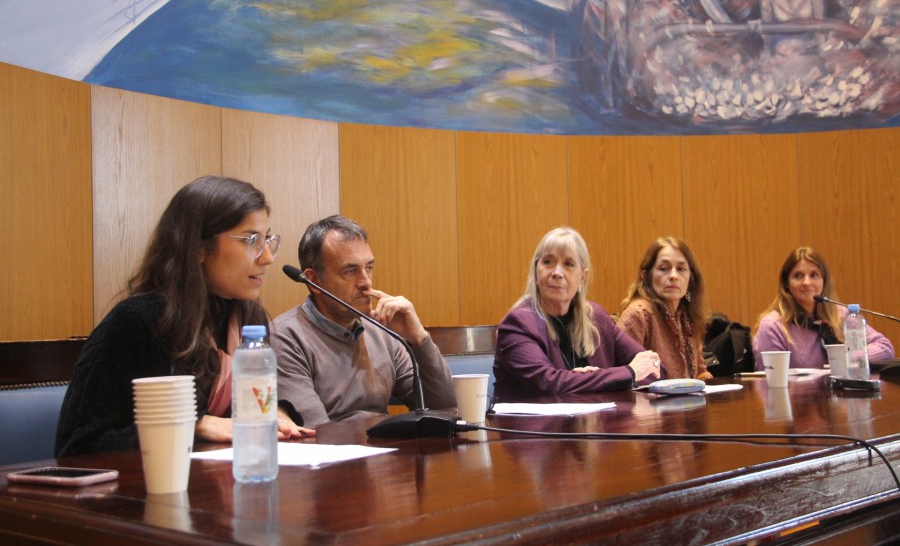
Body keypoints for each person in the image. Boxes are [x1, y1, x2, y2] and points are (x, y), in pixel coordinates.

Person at [56, 176, 314, 457]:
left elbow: (247, 413)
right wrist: (196, 426)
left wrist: (275, 411)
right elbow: (79, 445)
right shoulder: (135, 322)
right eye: (251, 240)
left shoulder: (247, 319)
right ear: (199, 247)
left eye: (268, 241)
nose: (267, 258)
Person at [273, 215, 455, 428]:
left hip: (386, 453)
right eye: (350, 271)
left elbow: (445, 407)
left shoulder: (381, 330)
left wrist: (418, 338)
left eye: (368, 267)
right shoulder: (285, 337)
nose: (366, 282)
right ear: (313, 281)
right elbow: (316, 433)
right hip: (338, 457)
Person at [493, 227, 661, 401]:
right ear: (536, 272)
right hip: (534, 427)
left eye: (568, 264)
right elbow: (549, 384)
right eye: (548, 262)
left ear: (583, 277)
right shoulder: (518, 324)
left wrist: (593, 379)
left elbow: (655, 369)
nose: (557, 273)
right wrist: (627, 373)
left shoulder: (596, 318)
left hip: (595, 425)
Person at [753, 247, 894, 369]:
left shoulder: (840, 315)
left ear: (824, 281)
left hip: (841, 397)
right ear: (786, 284)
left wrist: (848, 357)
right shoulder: (773, 325)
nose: (807, 282)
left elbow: (884, 347)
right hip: (798, 399)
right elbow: (770, 381)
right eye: (798, 276)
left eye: (814, 275)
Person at [617, 237, 712, 380]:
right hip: (647, 401)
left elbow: (700, 373)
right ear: (646, 276)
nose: (673, 276)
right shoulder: (638, 314)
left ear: (690, 278)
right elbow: (621, 374)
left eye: (681, 269)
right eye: (664, 268)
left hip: (687, 401)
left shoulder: (687, 317)